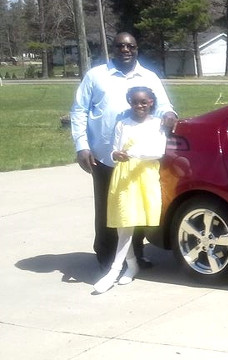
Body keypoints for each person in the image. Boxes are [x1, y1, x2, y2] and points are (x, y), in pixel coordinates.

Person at [70, 32, 178, 270]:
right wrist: (82, 146)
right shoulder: (96, 76)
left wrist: (170, 114)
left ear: (136, 48)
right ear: (113, 48)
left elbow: (164, 106)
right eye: (120, 46)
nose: (125, 49)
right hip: (104, 157)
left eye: (130, 45)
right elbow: (78, 111)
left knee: (135, 208)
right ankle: (107, 257)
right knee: (109, 208)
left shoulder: (149, 77)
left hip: (139, 160)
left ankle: (135, 255)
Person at [93, 86, 167, 294]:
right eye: (135, 102)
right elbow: (115, 149)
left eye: (144, 102)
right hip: (124, 176)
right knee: (122, 222)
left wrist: (133, 152)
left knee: (130, 223)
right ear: (130, 103)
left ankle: (115, 270)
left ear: (151, 102)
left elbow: (158, 151)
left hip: (144, 176)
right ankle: (130, 263)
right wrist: (116, 154)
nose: (139, 106)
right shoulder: (122, 124)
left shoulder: (157, 125)